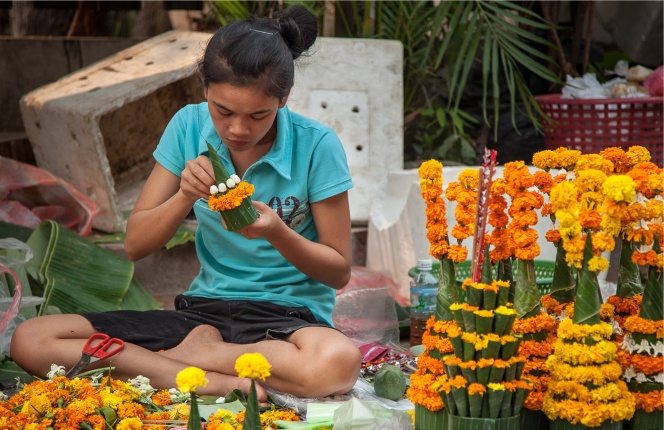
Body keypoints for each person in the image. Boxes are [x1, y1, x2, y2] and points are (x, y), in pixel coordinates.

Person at [10, 5, 362, 402]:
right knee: (31, 339)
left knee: (338, 362)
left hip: (288, 322)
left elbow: (338, 271)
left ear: (284, 99)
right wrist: (184, 195)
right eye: (223, 111)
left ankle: (203, 358)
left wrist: (277, 232)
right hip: (201, 313)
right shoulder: (187, 125)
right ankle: (210, 379)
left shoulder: (316, 145)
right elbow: (136, 244)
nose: (237, 129)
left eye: (258, 115)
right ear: (204, 87)